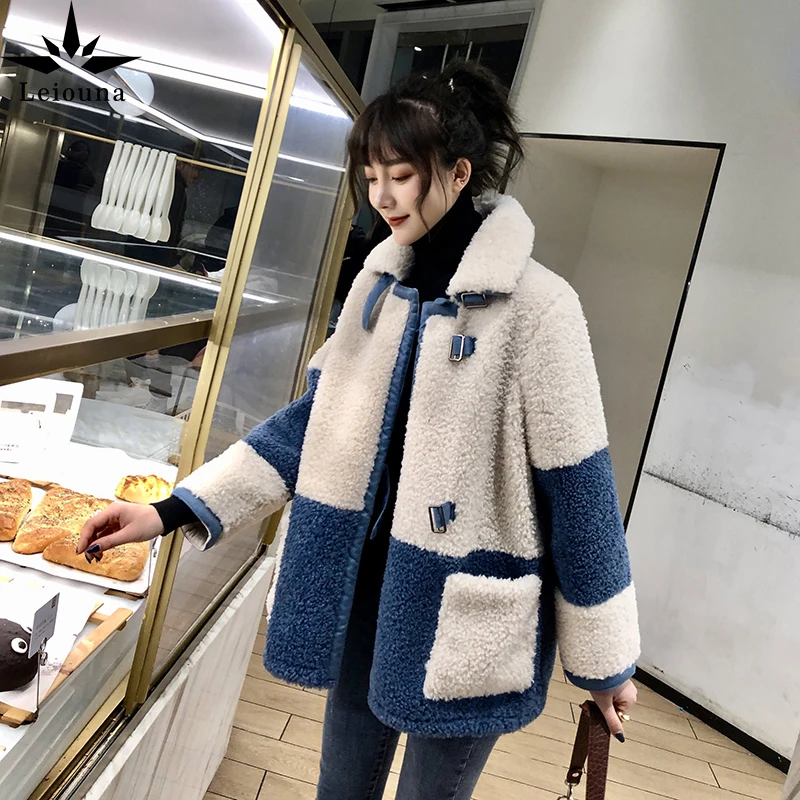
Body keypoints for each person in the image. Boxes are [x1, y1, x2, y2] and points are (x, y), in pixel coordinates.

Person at [78, 60, 640, 799]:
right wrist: (168, 511)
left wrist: (605, 662)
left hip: (469, 612)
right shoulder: (378, 289)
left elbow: (581, 489)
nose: (380, 195)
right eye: (371, 175)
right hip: (364, 592)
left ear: (459, 173)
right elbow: (313, 426)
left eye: (400, 175)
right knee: (339, 788)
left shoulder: (539, 308)